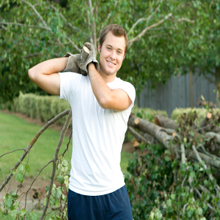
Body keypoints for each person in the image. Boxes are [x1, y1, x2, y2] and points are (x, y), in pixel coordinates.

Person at [28, 24, 135, 220]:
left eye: (119, 51)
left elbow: (105, 99)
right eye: (109, 48)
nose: (113, 56)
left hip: (114, 195)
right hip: (81, 195)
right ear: (100, 48)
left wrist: (90, 65)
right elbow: (35, 73)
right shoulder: (76, 84)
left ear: (123, 57)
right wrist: (73, 60)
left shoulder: (126, 89)